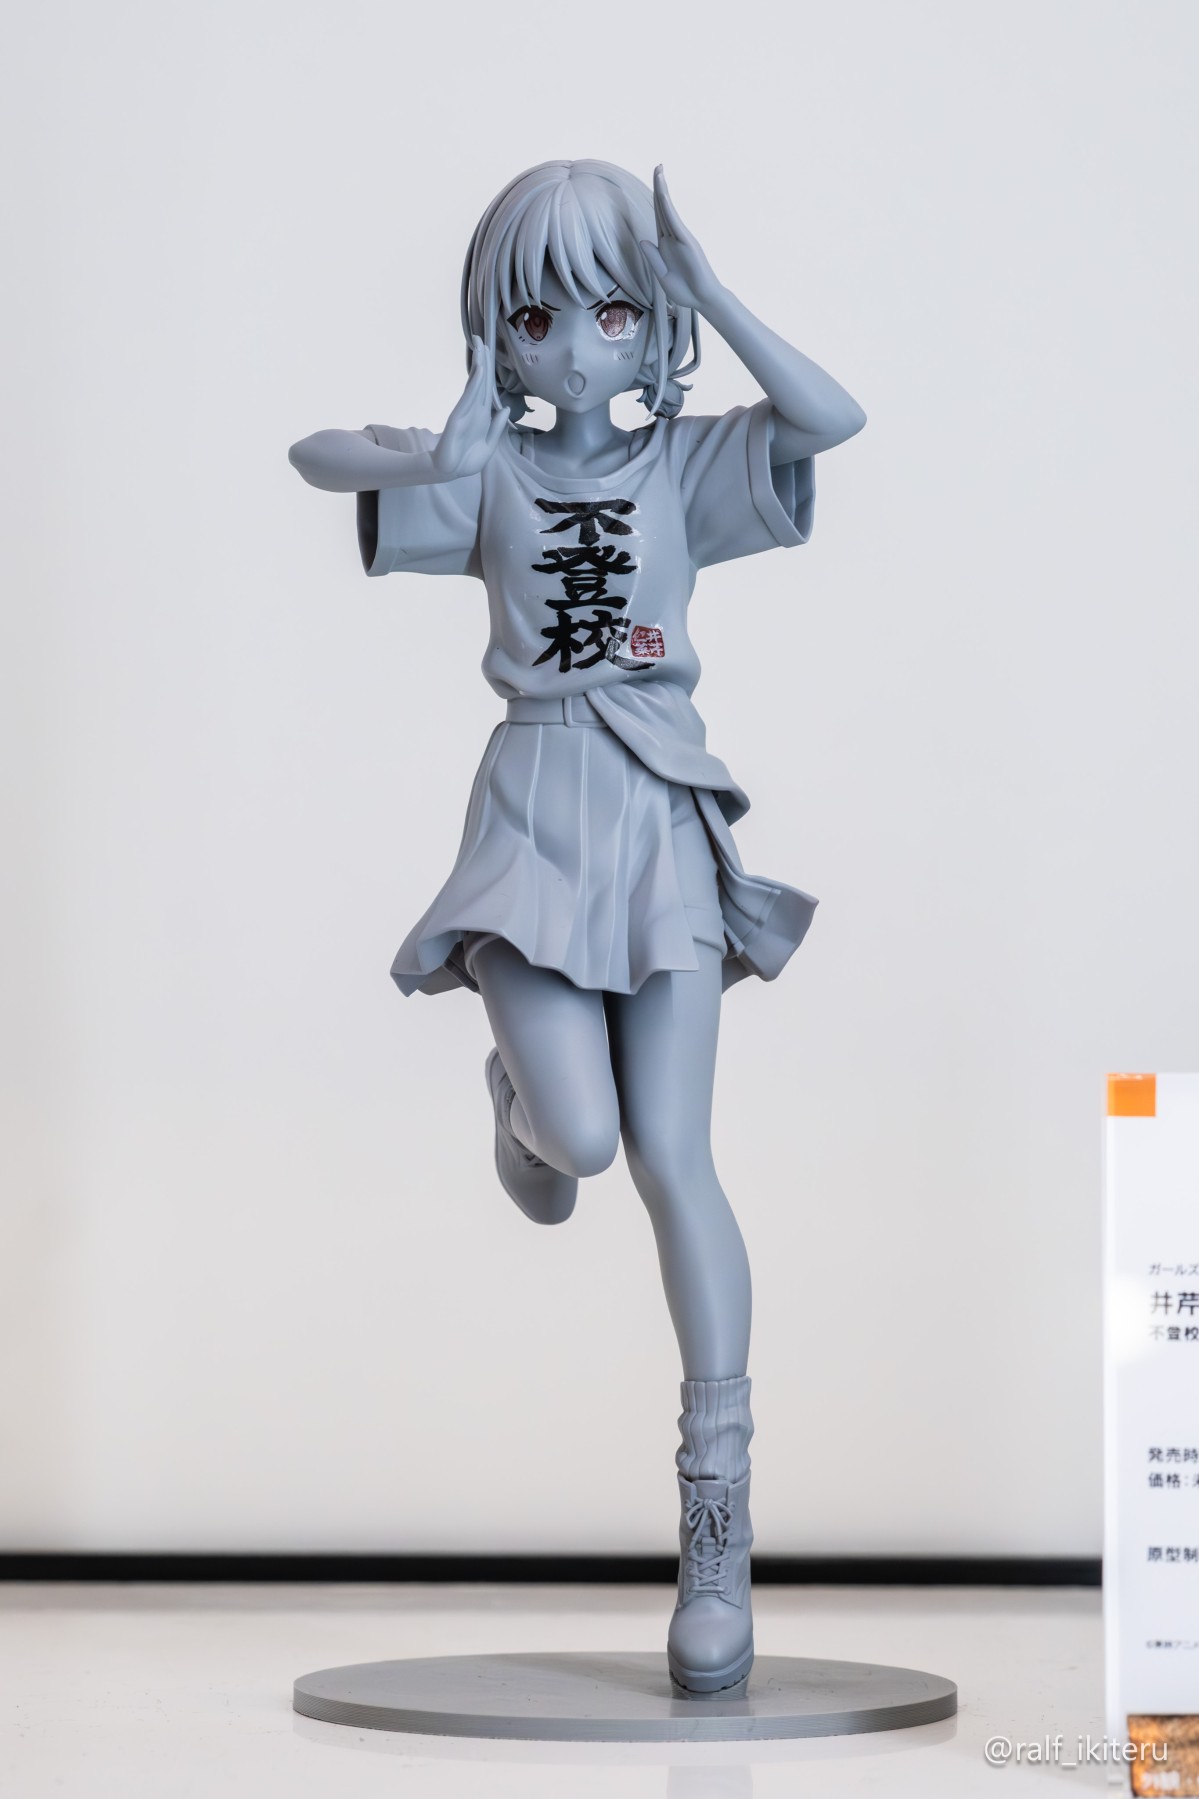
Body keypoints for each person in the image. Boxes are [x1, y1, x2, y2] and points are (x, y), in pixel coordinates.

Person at [289, 159, 865, 1697]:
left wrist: (713, 288)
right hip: (536, 813)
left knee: (675, 1157)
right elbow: (318, 457)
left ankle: (717, 1534)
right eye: (538, 318)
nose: (578, 346)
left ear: (652, 324)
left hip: (661, 813)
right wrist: (457, 435)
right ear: (502, 332)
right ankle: (524, 1109)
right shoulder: (485, 467)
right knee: (583, 1150)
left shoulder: (687, 464)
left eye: (616, 312)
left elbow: (829, 420)